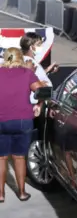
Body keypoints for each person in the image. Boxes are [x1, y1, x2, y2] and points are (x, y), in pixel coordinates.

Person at [0, 48, 46, 203]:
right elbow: (44, 91)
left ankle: (0, 194)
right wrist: (38, 105)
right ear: (20, 58)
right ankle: (22, 192)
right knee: (19, 157)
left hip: (1, 120)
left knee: (1, 158)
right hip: (22, 120)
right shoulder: (27, 74)